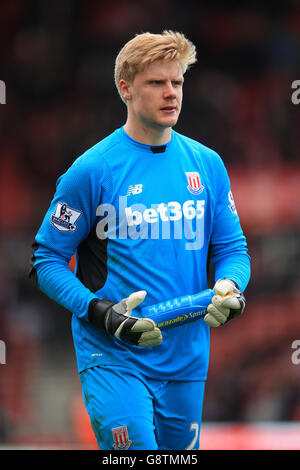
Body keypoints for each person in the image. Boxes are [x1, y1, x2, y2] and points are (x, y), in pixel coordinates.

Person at [29, 30, 250, 450]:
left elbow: (232, 250)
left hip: (186, 357)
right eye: (156, 83)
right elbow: (46, 260)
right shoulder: (91, 170)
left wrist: (232, 287)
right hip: (113, 355)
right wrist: (100, 312)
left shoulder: (207, 164)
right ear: (125, 88)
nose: (171, 93)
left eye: (178, 82)